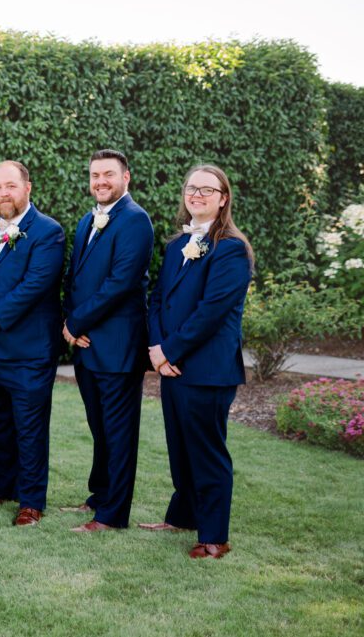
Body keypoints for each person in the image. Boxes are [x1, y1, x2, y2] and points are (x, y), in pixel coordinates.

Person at [139, 165, 253, 560]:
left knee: (206, 452)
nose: (198, 195)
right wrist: (156, 348)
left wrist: (169, 351)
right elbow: (157, 301)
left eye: (208, 189)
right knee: (180, 448)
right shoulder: (176, 246)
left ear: (223, 198)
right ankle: (183, 516)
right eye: (192, 188)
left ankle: (214, 537)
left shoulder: (231, 248)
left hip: (206, 369)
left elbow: (212, 312)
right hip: (171, 365)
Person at [0, 161, 65, 527]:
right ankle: (1, 487)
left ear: (27, 188)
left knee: (30, 426)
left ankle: (31, 500)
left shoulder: (48, 231)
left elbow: (36, 284)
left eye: (10, 186)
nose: (3, 193)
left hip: (29, 350)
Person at [62, 149, 153, 532]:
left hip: (117, 346)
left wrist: (75, 323)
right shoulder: (88, 220)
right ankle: (99, 496)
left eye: (108, 175)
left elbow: (120, 284)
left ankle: (112, 516)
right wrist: (70, 322)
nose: (100, 181)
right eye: (95, 175)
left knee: (118, 432)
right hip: (87, 345)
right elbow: (76, 278)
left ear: (126, 177)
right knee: (99, 427)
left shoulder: (135, 221)